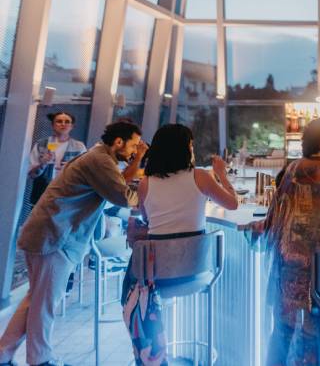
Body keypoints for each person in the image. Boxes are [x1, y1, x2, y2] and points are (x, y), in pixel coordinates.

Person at [0, 121, 147, 366]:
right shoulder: (99, 161)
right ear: (118, 142)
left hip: (46, 233)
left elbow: (118, 183)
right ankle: (40, 359)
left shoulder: (100, 157)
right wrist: (149, 191)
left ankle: (4, 353)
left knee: (35, 299)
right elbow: (124, 196)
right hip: (54, 237)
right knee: (44, 303)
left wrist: (137, 160)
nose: (134, 150)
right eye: (133, 145)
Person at [122, 124, 237, 364]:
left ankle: (151, 351)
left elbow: (146, 218)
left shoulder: (146, 184)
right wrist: (222, 174)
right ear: (186, 148)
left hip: (155, 279)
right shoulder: (201, 177)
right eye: (191, 144)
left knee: (130, 285)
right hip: (197, 272)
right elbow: (233, 204)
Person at [249, 118, 320, 366]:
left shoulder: (293, 168)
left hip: (287, 258)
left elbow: (275, 212)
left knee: (284, 326)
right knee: (317, 326)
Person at [27, 112, 87, 206]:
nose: (63, 124)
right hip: (42, 194)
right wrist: (42, 164)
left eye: (67, 122)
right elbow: (32, 174)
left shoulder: (79, 147)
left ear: (72, 126)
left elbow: (84, 175)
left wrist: (71, 169)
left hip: (67, 195)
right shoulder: (41, 144)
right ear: (53, 125)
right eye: (59, 121)